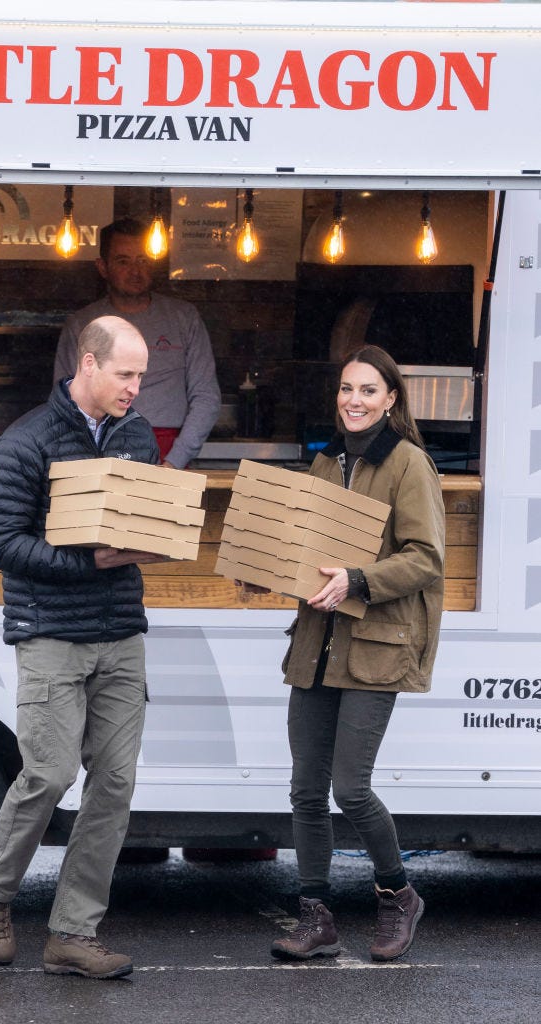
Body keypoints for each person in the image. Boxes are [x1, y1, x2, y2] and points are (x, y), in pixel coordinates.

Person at [0, 315, 166, 980]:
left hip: (121, 634)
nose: (136, 388)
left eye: (142, 375)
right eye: (126, 373)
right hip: (50, 632)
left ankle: (72, 934)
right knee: (48, 775)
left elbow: (150, 526)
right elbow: (2, 542)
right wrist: (91, 563)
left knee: (114, 784)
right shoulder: (28, 440)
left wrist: (154, 540)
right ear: (89, 363)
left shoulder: (137, 438)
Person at [267, 344, 445, 963]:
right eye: (347, 389)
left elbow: (425, 558)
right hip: (316, 648)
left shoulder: (409, 464)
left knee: (351, 788)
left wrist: (358, 580)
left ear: (391, 399)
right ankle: (317, 920)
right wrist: (263, 571)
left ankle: (399, 894)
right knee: (305, 791)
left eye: (369, 390)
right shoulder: (325, 464)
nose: (355, 400)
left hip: (373, 647)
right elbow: (305, 556)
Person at [53, 216, 221, 469]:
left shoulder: (183, 318)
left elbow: (206, 396)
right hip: (103, 449)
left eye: (143, 260)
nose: (135, 271)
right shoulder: (82, 324)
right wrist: (87, 460)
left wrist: (174, 462)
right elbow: (67, 401)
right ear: (102, 267)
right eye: (123, 261)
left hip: (168, 450)